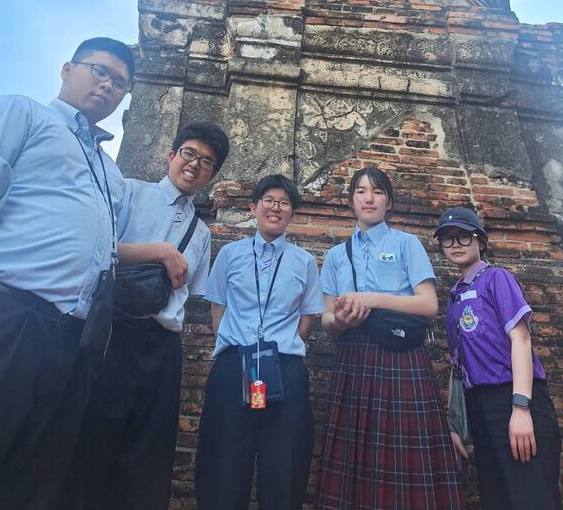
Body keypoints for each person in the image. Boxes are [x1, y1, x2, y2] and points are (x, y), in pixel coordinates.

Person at [0, 37, 134, 510]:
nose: (107, 85)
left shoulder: (112, 174)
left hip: (72, 340)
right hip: (4, 313)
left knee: (32, 483)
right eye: (99, 70)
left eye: (120, 83)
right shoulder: (22, 113)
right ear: (66, 69)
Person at [80, 121, 229, 510]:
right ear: (171, 155)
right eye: (189, 154)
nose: (194, 165)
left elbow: (193, 294)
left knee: (149, 451)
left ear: (213, 175)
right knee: (93, 438)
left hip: (163, 346)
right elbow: (96, 246)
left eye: (206, 162)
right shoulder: (131, 192)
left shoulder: (202, 232)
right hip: (114, 333)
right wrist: (160, 252)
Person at [316, 166, 464, 510]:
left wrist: (371, 299)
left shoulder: (406, 244)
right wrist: (341, 320)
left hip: (402, 356)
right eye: (361, 191)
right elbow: (327, 320)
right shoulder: (336, 256)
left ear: (389, 201)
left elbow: (428, 305)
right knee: (354, 454)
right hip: (353, 358)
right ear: (351, 201)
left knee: (406, 454)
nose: (369, 198)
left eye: (378, 191)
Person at [195, 174, 325, 510]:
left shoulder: (304, 262)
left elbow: (307, 319)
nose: (275, 208)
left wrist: (276, 350)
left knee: (283, 465)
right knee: (224, 462)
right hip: (233, 365)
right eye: (268, 200)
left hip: (285, 367)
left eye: (284, 202)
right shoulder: (230, 254)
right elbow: (218, 311)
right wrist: (243, 346)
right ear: (254, 207)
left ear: (292, 212)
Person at [436, 205, 561, 510]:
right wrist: (456, 424)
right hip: (479, 407)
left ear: (480, 240)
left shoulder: (497, 279)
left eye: (464, 236)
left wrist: (520, 409)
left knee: (531, 498)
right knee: (496, 498)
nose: (455, 244)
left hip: (514, 398)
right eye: (448, 238)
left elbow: (521, 339)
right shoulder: (453, 299)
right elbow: (457, 366)